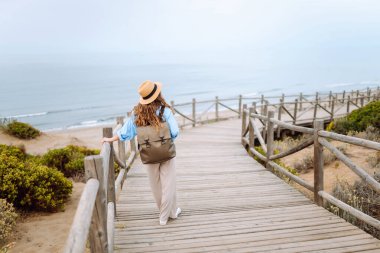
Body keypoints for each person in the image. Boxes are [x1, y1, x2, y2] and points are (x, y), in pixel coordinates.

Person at [102, 80, 181, 225]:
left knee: (156, 185)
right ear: (158, 95)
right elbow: (175, 132)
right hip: (166, 151)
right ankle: (168, 215)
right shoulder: (165, 111)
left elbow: (125, 133)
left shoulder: (137, 114)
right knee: (168, 184)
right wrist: (165, 139)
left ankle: (166, 213)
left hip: (148, 153)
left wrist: (111, 139)